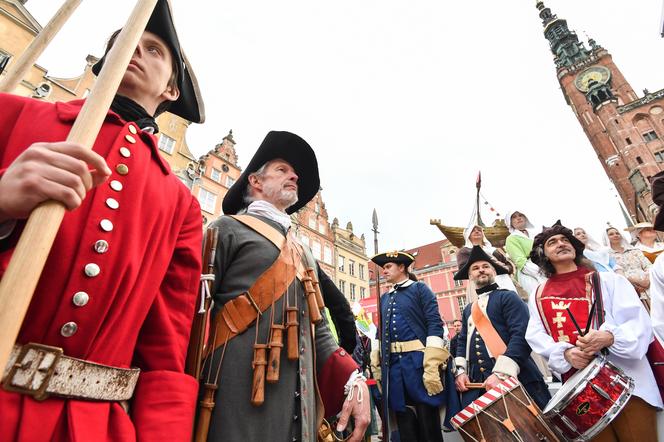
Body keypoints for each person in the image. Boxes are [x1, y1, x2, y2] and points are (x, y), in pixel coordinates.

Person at [0, 2, 205, 440]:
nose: (135, 49)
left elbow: (167, 341)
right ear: (100, 63)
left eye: (153, 49)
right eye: (124, 42)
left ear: (171, 89)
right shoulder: (13, 114)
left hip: (90, 426)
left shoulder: (180, 202)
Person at [202, 131, 369, 442]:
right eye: (281, 169)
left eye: (294, 173)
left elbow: (318, 327)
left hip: (297, 404)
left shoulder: (302, 250)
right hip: (233, 397)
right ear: (255, 182)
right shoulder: (225, 230)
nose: (294, 175)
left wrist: (353, 379)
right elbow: (188, 314)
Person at [526, 221, 662, 441]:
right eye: (553, 242)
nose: (561, 243)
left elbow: (639, 321)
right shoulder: (538, 295)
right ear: (544, 254)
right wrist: (566, 354)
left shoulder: (609, 280)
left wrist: (610, 337)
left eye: (565, 240)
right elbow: (535, 335)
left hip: (627, 381)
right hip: (580, 393)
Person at [371, 251, 455, 442]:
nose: (384, 271)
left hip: (418, 362)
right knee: (403, 417)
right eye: (383, 268)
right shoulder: (384, 298)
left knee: (427, 419)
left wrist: (432, 363)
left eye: (388, 266)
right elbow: (379, 331)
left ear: (402, 267)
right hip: (394, 366)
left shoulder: (419, 289)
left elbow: (435, 324)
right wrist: (376, 358)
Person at [453, 246, 550, 409]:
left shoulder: (508, 297)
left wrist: (501, 374)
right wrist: (461, 372)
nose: (481, 270)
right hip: (481, 383)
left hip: (517, 376)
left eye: (485, 266)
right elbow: (462, 342)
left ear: (494, 271)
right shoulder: (469, 309)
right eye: (475, 268)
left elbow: (521, 335)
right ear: (470, 276)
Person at [456, 224, 516, 293]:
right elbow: (464, 269)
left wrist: (506, 268)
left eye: (479, 230)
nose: (477, 232)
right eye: (473, 231)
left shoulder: (492, 249)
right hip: (482, 282)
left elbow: (507, 263)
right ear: (468, 235)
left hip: (504, 279)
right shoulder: (465, 251)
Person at [604, 226, 651, 310]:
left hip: (649, 284)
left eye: (617, 233)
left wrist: (647, 279)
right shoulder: (607, 257)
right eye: (611, 234)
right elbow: (613, 275)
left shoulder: (634, 250)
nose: (615, 235)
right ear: (606, 238)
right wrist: (635, 282)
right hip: (629, 288)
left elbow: (648, 265)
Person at [504, 210, 545, 297]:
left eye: (520, 215)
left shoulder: (535, 235)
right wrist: (541, 273)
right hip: (529, 273)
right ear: (510, 222)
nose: (518, 218)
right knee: (537, 298)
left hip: (545, 267)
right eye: (514, 217)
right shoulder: (511, 238)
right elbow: (520, 261)